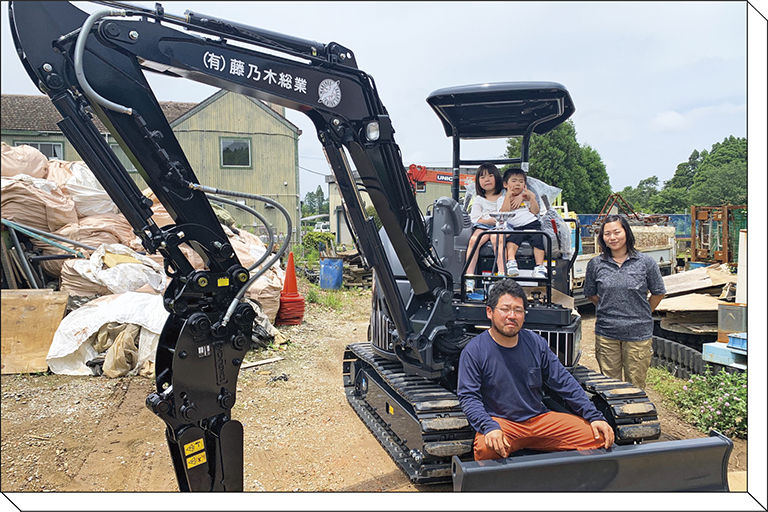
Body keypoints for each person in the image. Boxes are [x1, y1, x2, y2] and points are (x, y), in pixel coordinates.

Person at [457, 279, 615, 460]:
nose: (512, 315)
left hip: (539, 420)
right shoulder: (475, 350)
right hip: (503, 424)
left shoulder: (535, 343)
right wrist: (489, 427)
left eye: (518, 310)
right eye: (505, 309)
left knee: (599, 437)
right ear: (490, 312)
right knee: (486, 449)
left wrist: (594, 416)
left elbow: (563, 381)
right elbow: (469, 397)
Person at [584, 214, 666, 389]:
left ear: (626, 233)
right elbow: (591, 294)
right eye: (607, 234)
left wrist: (642, 312)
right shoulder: (596, 264)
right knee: (608, 385)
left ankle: (635, 416)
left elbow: (658, 293)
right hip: (607, 334)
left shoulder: (646, 263)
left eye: (616, 232)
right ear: (602, 238)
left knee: (635, 386)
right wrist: (609, 306)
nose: (612, 238)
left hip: (638, 335)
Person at [493, 168, 547, 278]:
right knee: (512, 241)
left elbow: (535, 211)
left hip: (532, 223)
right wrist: (508, 196)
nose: (518, 184)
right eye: (514, 181)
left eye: (521, 181)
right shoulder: (501, 199)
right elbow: (504, 212)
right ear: (505, 184)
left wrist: (531, 198)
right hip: (516, 227)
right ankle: (511, 262)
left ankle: (539, 266)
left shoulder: (527, 198)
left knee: (538, 241)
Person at [464, 163, 505, 292]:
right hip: (484, 225)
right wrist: (490, 221)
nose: (486, 180)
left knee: (496, 239)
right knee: (473, 240)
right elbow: (475, 218)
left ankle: (502, 275)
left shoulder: (504, 195)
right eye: (482, 177)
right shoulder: (479, 199)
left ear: (497, 178)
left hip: (501, 226)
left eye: (490, 176)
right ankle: (469, 278)